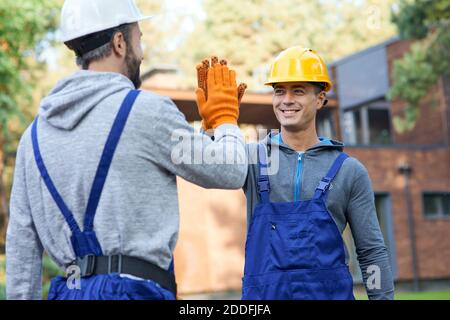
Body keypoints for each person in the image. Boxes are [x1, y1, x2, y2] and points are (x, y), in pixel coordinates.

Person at [6, 0, 246, 300]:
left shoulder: (33, 136)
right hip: (134, 291)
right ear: (120, 42)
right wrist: (224, 119)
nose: (141, 52)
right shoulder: (146, 112)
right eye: (139, 39)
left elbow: (22, 247)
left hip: (69, 291)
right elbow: (231, 170)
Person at [197, 47, 395, 300]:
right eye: (279, 91)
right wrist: (213, 127)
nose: (286, 100)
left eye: (298, 91)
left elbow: (371, 252)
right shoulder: (251, 158)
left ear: (321, 98)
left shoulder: (348, 171)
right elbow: (208, 169)